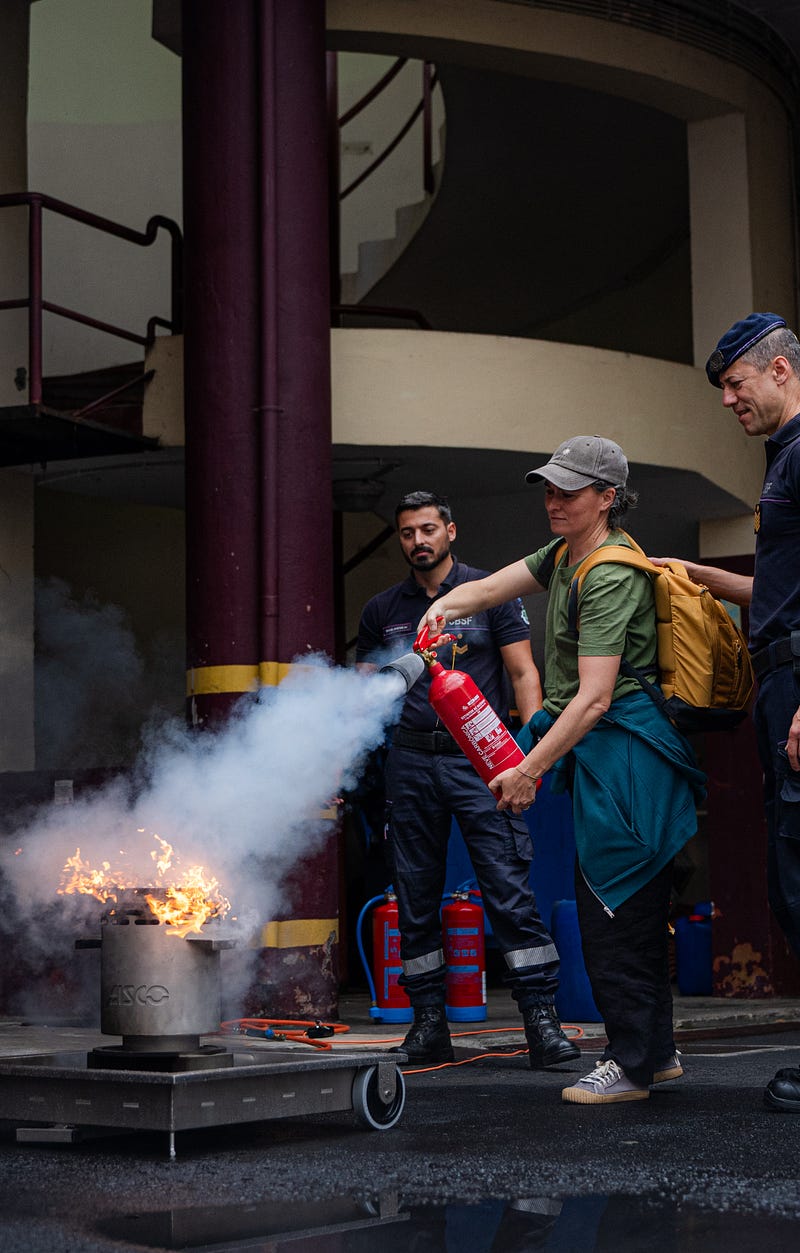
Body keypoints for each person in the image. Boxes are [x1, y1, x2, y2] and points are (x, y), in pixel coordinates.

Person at [420, 438, 706, 1104]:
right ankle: (656, 1054)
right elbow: (497, 583)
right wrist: (446, 607)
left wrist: (528, 769)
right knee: (629, 908)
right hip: (612, 757)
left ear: (607, 497)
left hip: (628, 763)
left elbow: (595, 695)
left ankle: (630, 1064)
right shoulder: (567, 556)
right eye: (548, 488)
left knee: (613, 911)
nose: (553, 500)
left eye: (569, 491)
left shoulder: (607, 573)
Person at [356, 490, 580, 1069]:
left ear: (450, 531)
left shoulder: (490, 593)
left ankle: (542, 1025)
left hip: (480, 759)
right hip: (408, 762)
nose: (418, 541)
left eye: (428, 529)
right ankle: (429, 1026)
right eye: (407, 533)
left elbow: (523, 671)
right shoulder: (382, 609)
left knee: (506, 885)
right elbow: (363, 695)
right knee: (415, 892)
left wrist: (529, 753)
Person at [660, 312, 800, 1112]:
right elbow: (782, 592)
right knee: (791, 879)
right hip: (778, 680)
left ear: (779, 370)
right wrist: (703, 576)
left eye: (735, 384)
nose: (727, 401)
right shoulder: (783, 460)